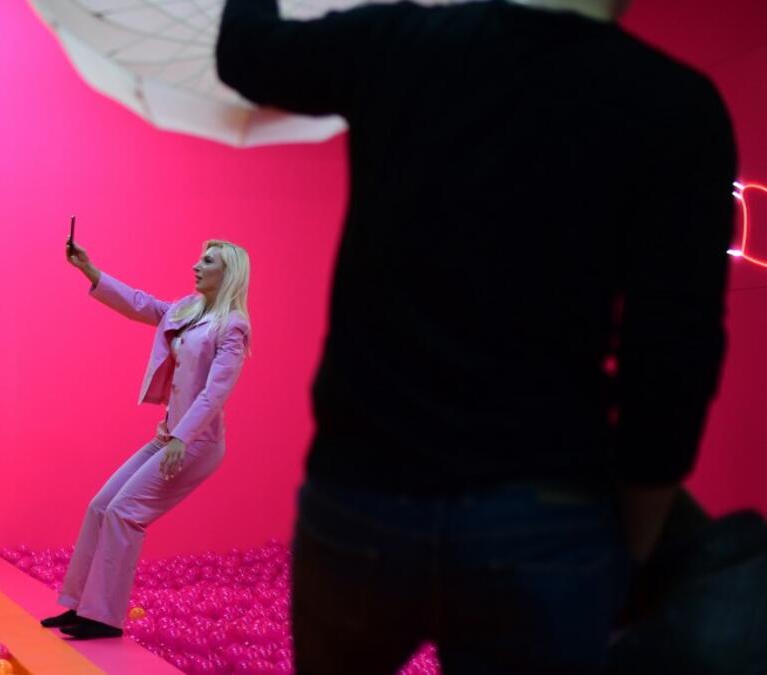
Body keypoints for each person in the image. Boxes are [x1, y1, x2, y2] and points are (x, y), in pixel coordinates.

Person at [216, 0, 736, 673]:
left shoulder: (401, 41)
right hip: (546, 511)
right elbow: (674, 349)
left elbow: (249, 54)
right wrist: (634, 537)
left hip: (364, 492)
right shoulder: (676, 102)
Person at [40, 238, 253, 639]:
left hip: (196, 444)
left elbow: (215, 392)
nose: (196, 265)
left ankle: (102, 617)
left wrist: (181, 439)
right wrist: (90, 270)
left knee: (125, 513)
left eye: (207, 261)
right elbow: (140, 304)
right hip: (169, 436)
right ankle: (79, 606)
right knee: (102, 505)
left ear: (228, 274)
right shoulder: (187, 311)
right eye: (199, 257)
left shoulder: (232, 326)